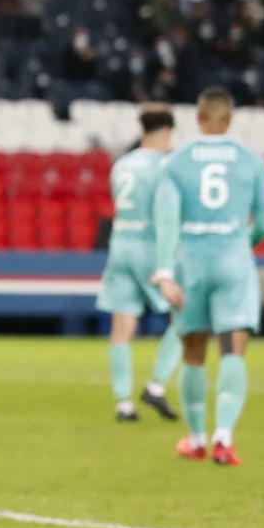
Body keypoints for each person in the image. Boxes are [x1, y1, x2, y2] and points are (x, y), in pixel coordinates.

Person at [153, 88, 264, 466]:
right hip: (233, 258)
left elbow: (167, 221)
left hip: (191, 261)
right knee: (232, 350)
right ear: (230, 119)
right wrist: (241, 243)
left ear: (199, 117)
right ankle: (225, 438)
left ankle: (196, 440)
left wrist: (165, 272)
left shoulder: (176, 162)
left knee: (193, 352)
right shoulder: (251, 161)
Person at [95, 105, 183, 422]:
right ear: (166, 132)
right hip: (151, 246)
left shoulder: (122, 165)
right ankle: (156, 386)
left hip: (121, 246)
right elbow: (168, 213)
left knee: (122, 326)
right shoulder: (167, 166)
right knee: (187, 316)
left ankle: (123, 404)